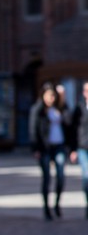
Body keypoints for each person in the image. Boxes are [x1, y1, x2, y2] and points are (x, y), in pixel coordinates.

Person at [29, 82, 75, 219]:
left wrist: (63, 101)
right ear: (43, 96)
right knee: (47, 178)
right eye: (49, 96)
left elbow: (70, 124)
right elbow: (33, 129)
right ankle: (46, 208)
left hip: (59, 146)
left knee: (60, 176)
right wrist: (35, 148)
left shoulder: (60, 108)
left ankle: (57, 204)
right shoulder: (38, 109)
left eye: (54, 96)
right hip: (45, 148)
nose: (51, 99)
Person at [68, 80, 88, 217]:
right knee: (87, 177)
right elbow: (73, 130)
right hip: (83, 147)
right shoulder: (79, 108)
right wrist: (73, 149)